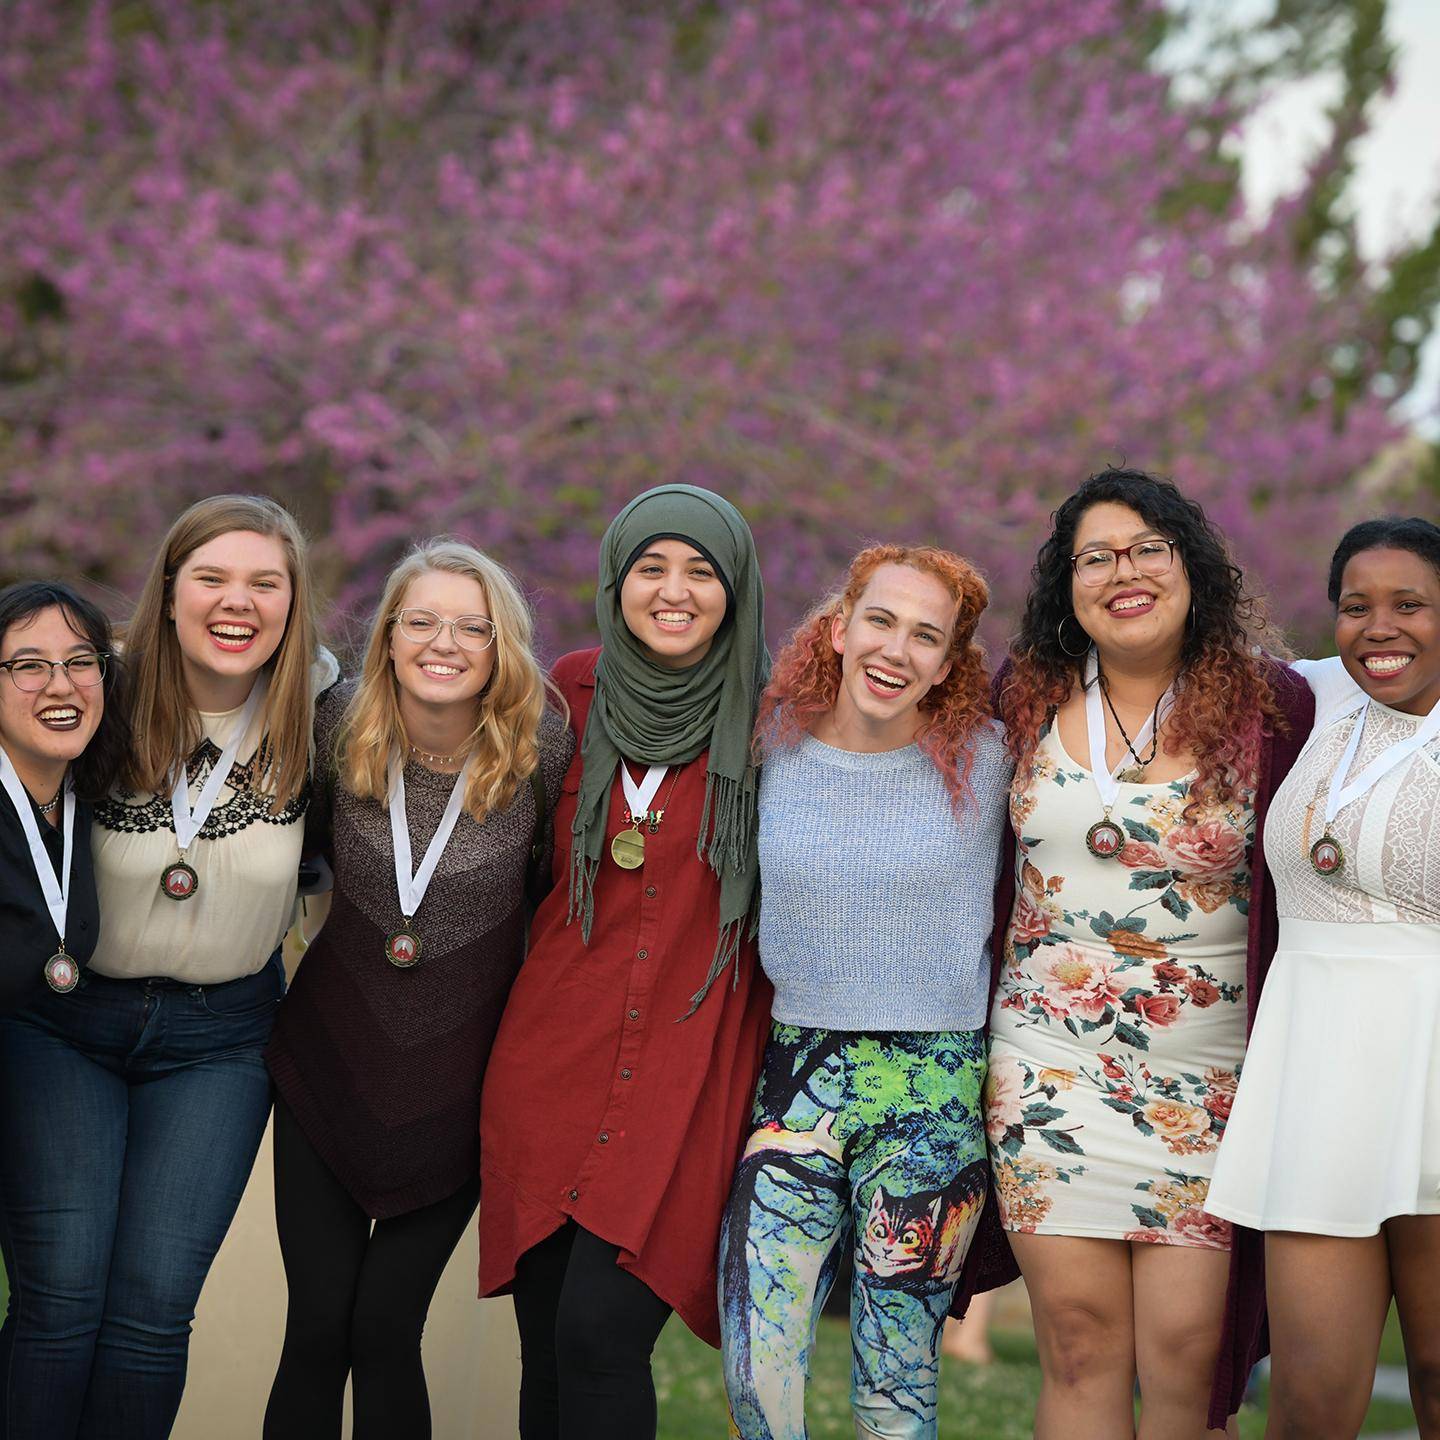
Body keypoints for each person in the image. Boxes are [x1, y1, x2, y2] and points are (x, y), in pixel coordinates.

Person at [975, 467, 1313, 1438]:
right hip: (1047, 1073)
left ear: (1190, 565)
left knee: (1185, 1363)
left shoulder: (1273, 705)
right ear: (1066, 583)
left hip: (1210, 1088)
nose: (1122, 573)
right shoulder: (1025, 697)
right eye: (1094, 557)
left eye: (1146, 550)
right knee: (1077, 1349)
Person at [0, 495, 329, 1440]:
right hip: (64, 1025)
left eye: (265, 582)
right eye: (213, 578)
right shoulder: (96, 691)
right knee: (59, 1300)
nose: (239, 602)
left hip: (220, 1044)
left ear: (293, 601)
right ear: (170, 590)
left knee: (149, 1314)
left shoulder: (324, 712)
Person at [478, 483, 773, 1440]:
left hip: (685, 1082)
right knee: (546, 1352)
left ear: (738, 589)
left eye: (702, 571)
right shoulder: (567, 691)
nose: (673, 590)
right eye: (651, 567)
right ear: (617, 580)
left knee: (602, 1337)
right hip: (550, 1064)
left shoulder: (781, 725)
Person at [262, 540, 572, 1439]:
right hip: (326, 1070)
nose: (445, 642)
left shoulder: (542, 748)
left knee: (385, 1328)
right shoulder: (334, 726)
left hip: (462, 1089)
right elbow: (297, 854)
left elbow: (550, 900)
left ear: (500, 645)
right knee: (317, 1328)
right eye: (422, 621)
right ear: (390, 636)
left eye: (471, 627)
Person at [717, 544, 1013, 1439]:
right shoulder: (770, 747)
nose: (897, 650)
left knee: (897, 1382)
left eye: (928, 636)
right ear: (840, 629)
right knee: (754, 1366)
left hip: (934, 1090)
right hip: (798, 1075)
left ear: (951, 662)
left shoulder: (993, 761)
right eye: (882, 621)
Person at [1206, 517, 1440, 1439]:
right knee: (1308, 1393)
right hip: (1317, 1076)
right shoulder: (1318, 697)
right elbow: (1176, 664)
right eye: (1356, 607)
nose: (1381, 628)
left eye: (1411, 606)